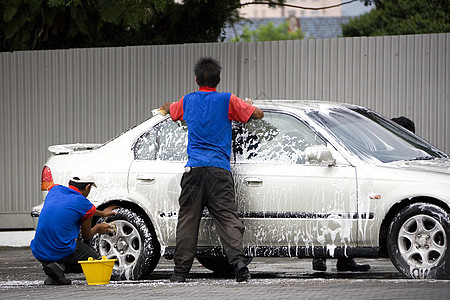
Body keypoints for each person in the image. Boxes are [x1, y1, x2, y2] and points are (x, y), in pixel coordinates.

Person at [160, 57, 264, 283]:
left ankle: (180, 273)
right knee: (227, 218)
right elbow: (257, 115)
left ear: (196, 79)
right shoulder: (228, 100)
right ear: (219, 79)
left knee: (188, 220)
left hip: (194, 170)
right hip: (219, 171)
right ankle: (239, 264)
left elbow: (172, 110)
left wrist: (165, 108)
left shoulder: (188, 101)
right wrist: (248, 104)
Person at [30, 174, 117, 285]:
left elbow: (75, 206)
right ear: (87, 187)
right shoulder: (84, 203)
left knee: (60, 245)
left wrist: (102, 213)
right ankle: (59, 267)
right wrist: (98, 228)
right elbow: (87, 235)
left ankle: (55, 271)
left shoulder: (55, 190)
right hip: (60, 249)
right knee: (96, 263)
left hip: (39, 250)